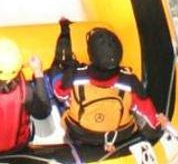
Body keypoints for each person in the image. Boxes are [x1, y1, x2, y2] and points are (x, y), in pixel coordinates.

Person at [50, 21, 161, 151]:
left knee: (56, 73)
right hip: (119, 137)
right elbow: (152, 122)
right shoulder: (131, 82)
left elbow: (60, 95)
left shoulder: (75, 76)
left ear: (91, 55)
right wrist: (158, 125)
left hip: (80, 134)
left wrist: (59, 73)